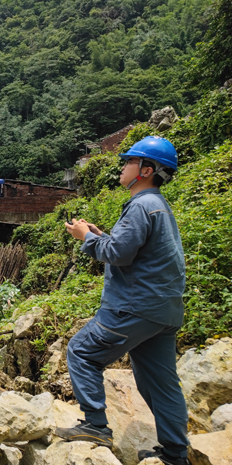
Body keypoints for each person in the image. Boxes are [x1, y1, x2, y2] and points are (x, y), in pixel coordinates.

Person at [55, 136, 189, 465]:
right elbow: (135, 250)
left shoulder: (141, 205)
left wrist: (85, 238)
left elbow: (118, 255)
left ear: (146, 170)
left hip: (133, 307)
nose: (123, 166)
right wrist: (100, 235)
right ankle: (175, 455)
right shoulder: (158, 205)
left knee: (82, 352)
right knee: (160, 384)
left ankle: (95, 425)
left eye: (129, 161)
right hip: (163, 312)